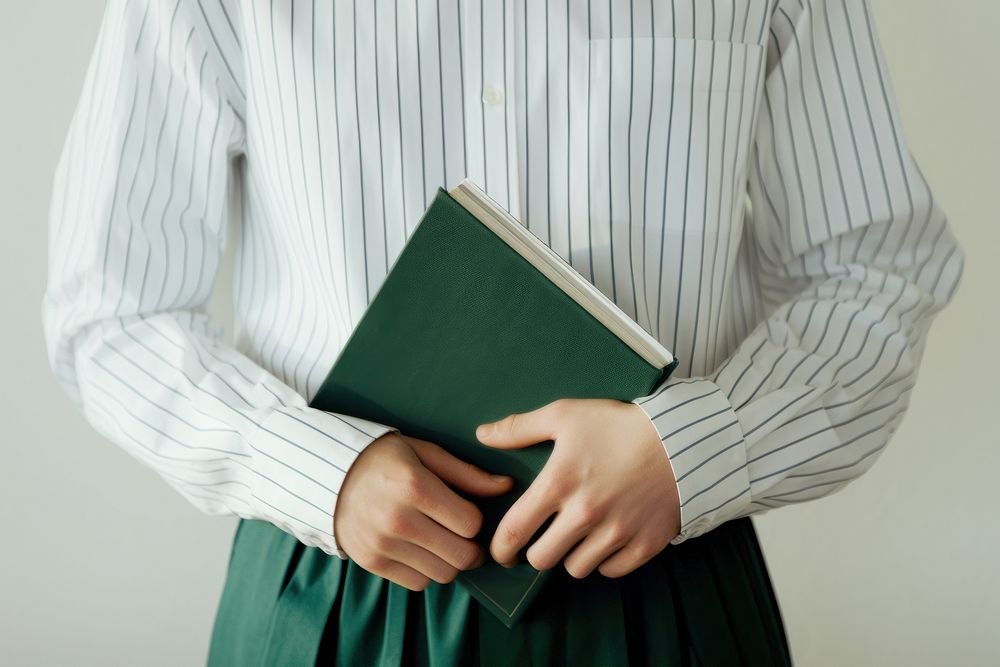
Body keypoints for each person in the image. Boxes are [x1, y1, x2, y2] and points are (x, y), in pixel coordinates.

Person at [43, 0, 963, 664]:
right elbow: (111, 311)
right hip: (336, 584)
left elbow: (873, 267)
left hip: (663, 575)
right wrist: (315, 472)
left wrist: (695, 451)